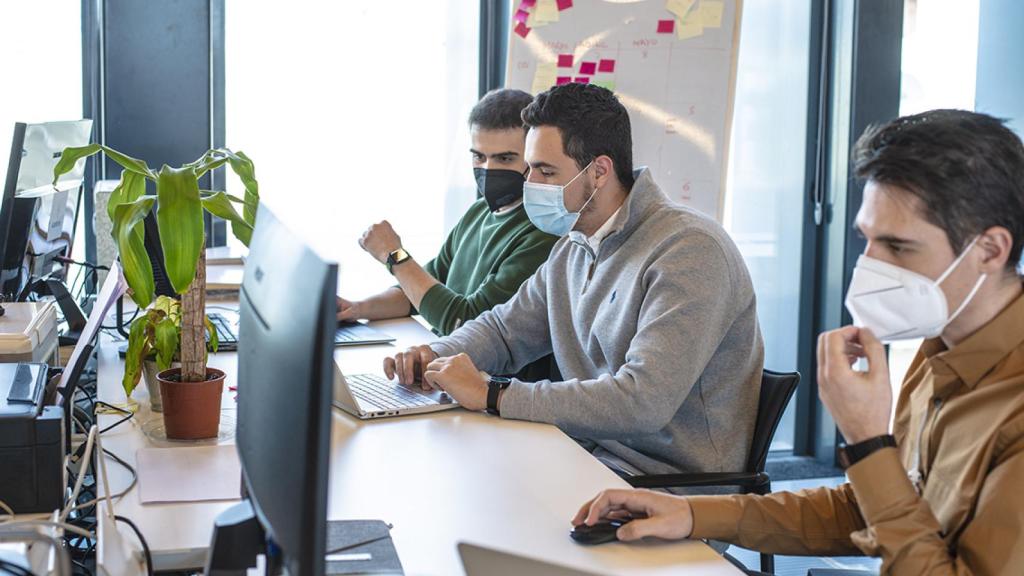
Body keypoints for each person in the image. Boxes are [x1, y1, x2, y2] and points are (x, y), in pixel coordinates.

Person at [574, 110, 1024, 574]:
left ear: (991, 250)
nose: (869, 266)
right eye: (867, 241)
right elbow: (869, 509)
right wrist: (691, 514)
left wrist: (869, 443)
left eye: (898, 247)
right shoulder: (939, 354)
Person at [385, 83, 764, 476]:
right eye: (530, 168)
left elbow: (642, 401)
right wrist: (435, 355)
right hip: (584, 452)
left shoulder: (689, 250)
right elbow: (504, 331)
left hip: (661, 483)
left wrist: (492, 394)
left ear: (599, 172)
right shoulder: (575, 245)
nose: (530, 184)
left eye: (546, 171)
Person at [337, 88, 557, 336]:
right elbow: (418, 291)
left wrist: (394, 256)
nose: (487, 169)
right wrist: (356, 309)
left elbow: (466, 322)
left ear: (533, 157)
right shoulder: (478, 212)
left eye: (504, 159)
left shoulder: (544, 232)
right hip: (441, 354)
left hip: (473, 360)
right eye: (479, 157)